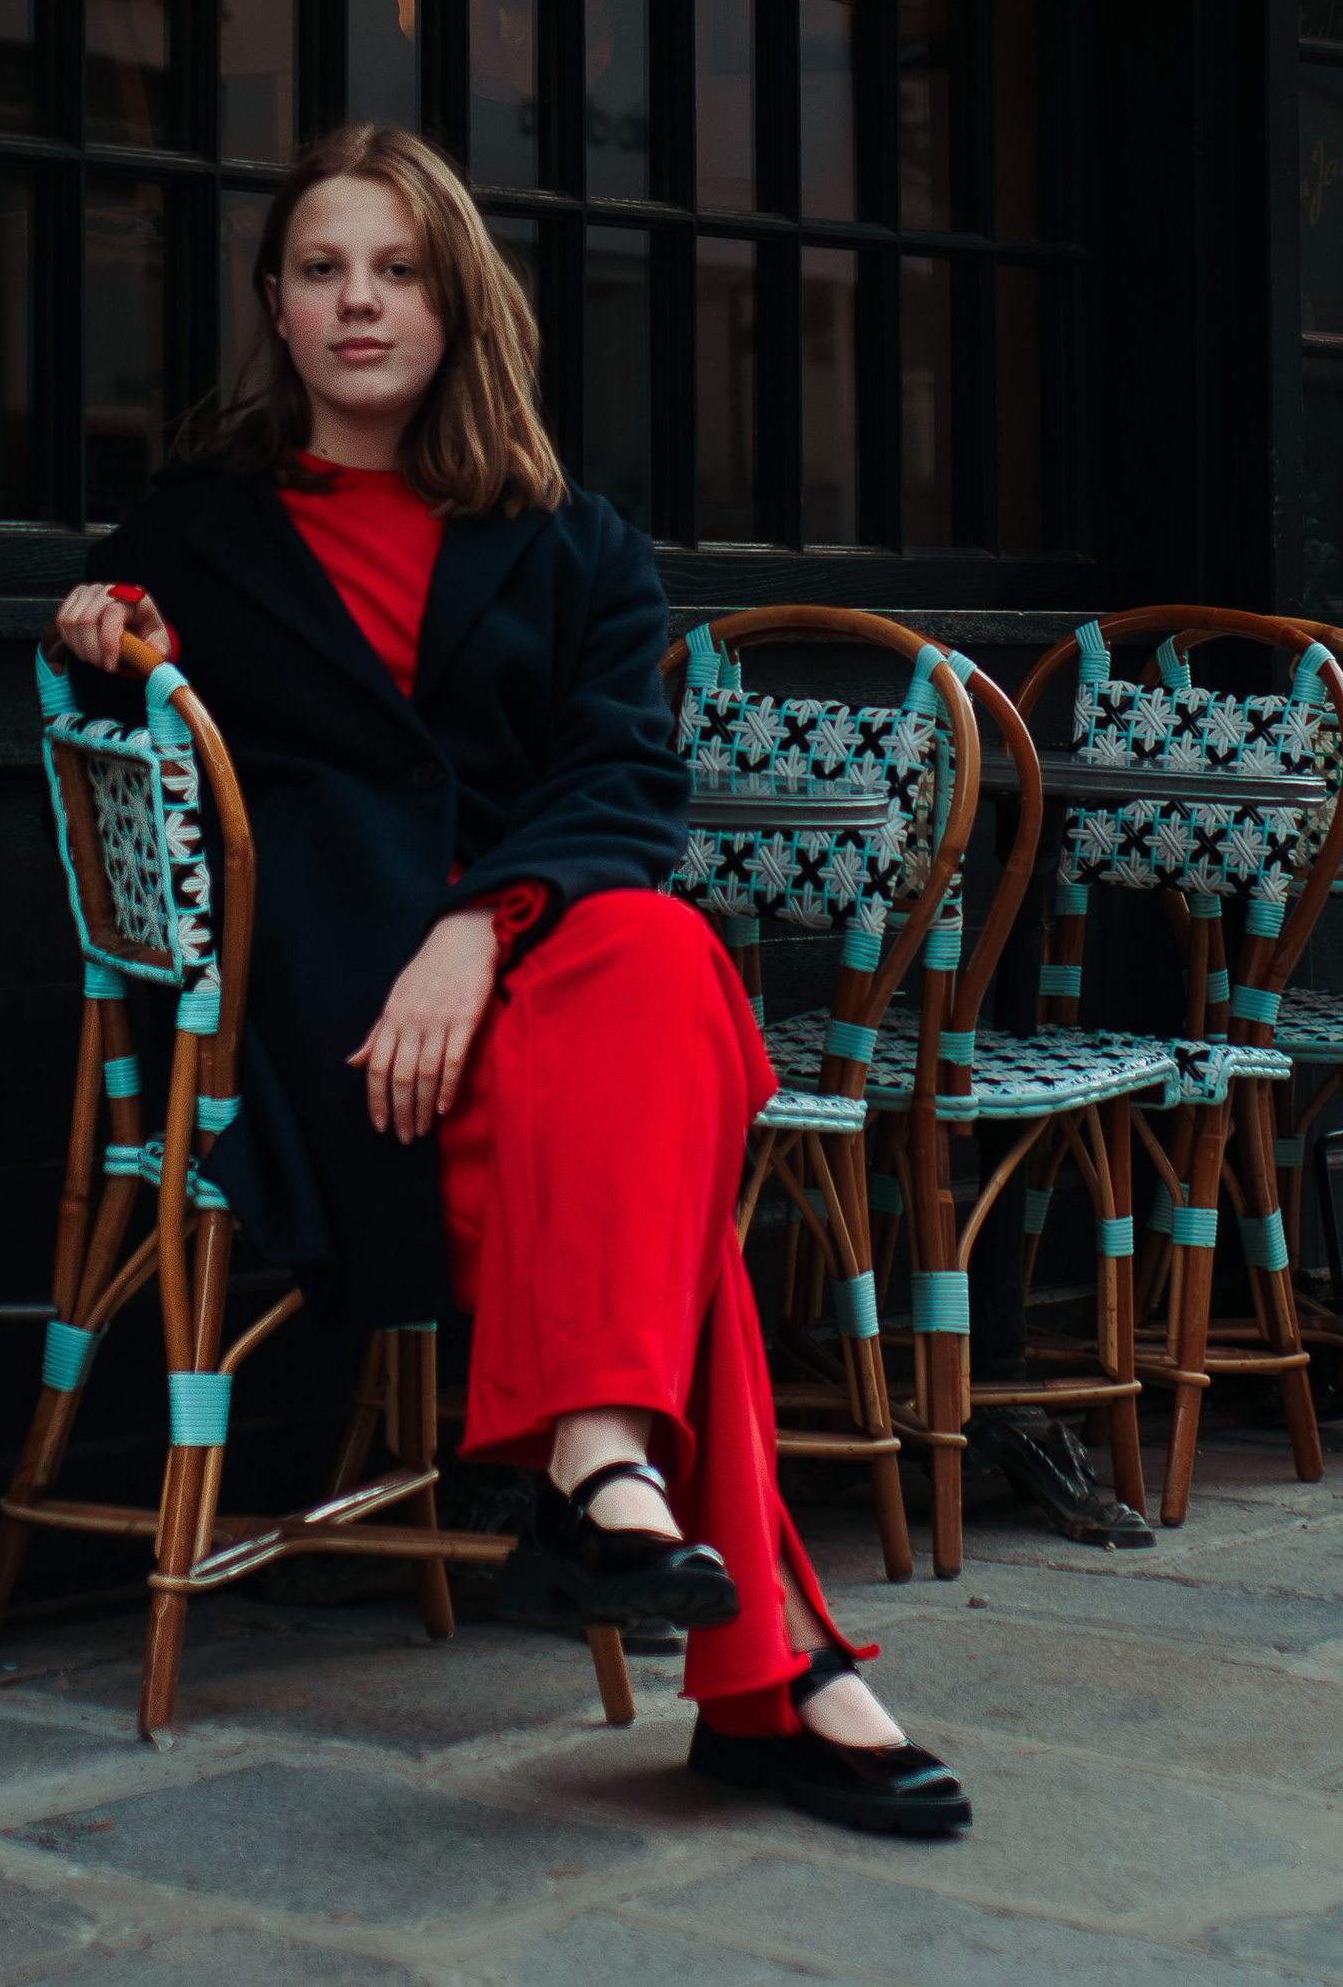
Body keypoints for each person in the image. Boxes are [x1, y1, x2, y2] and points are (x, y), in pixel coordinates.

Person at [54, 122, 969, 1840]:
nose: (358, 303)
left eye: (396, 269)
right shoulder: (197, 532)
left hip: (523, 997)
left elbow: (624, 779)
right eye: (323, 269)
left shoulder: (573, 544)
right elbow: (123, 725)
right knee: (673, 1169)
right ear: (275, 302)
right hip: (343, 1052)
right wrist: (94, 642)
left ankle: (613, 1480)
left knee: (654, 940)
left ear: (456, 301)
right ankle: (755, 1645)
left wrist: (473, 934)